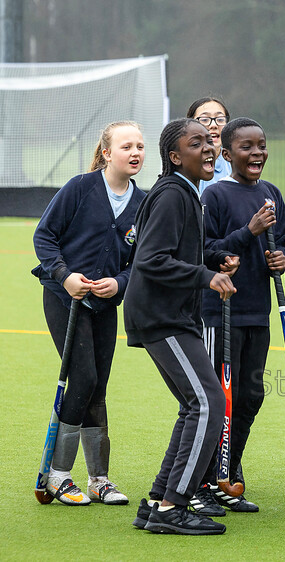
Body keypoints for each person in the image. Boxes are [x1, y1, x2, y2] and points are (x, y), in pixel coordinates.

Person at [125, 118, 239, 535]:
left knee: (196, 404)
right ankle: (173, 507)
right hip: (161, 316)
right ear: (175, 157)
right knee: (208, 404)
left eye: (210, 142)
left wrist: (213, 262)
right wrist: (205, 276)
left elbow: (177, 253)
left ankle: (158, 500)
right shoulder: (173, 194)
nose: (209, 148)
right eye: (197, 143)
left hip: (172, 316)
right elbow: (152, 259)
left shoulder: (186, 194)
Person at [32, 121, 146, 506]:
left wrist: (121, 283)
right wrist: (65, 277)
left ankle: (100, 479)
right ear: (107, 151)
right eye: (126, 146)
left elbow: (140, 261)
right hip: (64, 298)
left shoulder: (142, 202)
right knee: (82, 379)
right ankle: (59, 476)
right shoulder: (80, 187)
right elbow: (44, 237)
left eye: (140, 147)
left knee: (99, 386)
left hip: (104, 304)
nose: (135, 153)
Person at [190, 117, 285, 515]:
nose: (257, 153)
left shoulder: (271, 194)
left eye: (261, 145)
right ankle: (199, 483)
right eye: (247, 147)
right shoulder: (214, 196)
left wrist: (277, 259)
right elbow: (204, 250)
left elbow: (277, 247)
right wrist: (248, 232)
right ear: (228, 154)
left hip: (255, 314)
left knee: (249, 397)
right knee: (218, 401)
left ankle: (225, 477)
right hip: (220, 314)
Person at [187, 97, 233, 194]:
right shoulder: (183, 166)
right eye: (204, 119)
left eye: (220, 119)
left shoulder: (235, 163)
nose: (213, 125)